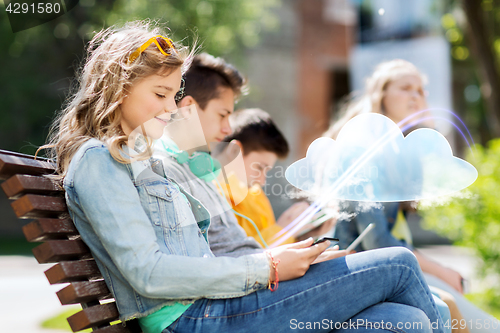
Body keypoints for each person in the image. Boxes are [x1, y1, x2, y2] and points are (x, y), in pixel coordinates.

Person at [43, 22, 448, 333]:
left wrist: (279, 263)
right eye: (160, 94)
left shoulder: (141, 158)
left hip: (219, 304)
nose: (170, 108)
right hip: (199, 319)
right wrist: (267, 267)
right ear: (119, 86)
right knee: (399, 262)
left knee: (404, 318)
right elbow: (149, 273)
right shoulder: (98, 161)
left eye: (172, 94)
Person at [326, 59, 498, 333]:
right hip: (363, 271)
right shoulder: (362, 151)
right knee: (478, 323)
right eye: (406, 88)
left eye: (421, 90)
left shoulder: (398, 151)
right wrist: (439, 269)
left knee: (483, 323)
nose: (416, 96)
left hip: (395, 268)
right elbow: (376, 239)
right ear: (381, 95)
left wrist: (425, 129)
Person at [215, 108, 335, 247]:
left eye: (266, 171)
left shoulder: (255, 194)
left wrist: (302, 235)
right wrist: (285, 230)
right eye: (259, 167)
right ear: (234, 151)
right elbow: (239, 259)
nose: (262, 181)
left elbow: (274, 253)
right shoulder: (212, 197)